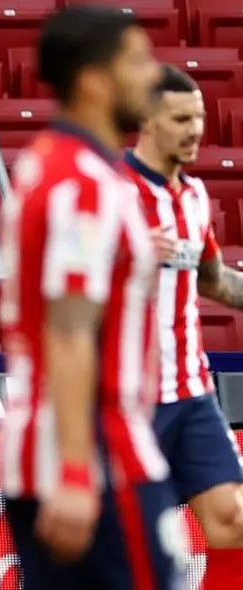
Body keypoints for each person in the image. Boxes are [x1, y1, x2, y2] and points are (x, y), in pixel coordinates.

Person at [0, 6, 187, 590]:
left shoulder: (48, 164)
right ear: (93, 80)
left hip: (47, 451)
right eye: (136, 61)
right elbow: (71, 326)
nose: (152, 76)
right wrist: (78, 471)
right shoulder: (84, 183)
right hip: (99, 458)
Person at [126, 64, 243, 589]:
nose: (195, 129)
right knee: (123, 552)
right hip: (128, 401)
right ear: (147, 121)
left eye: (198, 116)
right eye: (181, 118)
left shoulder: (194, 195)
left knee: (233, 523)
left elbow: (216, 282)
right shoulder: (111, 193)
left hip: (193, 394)